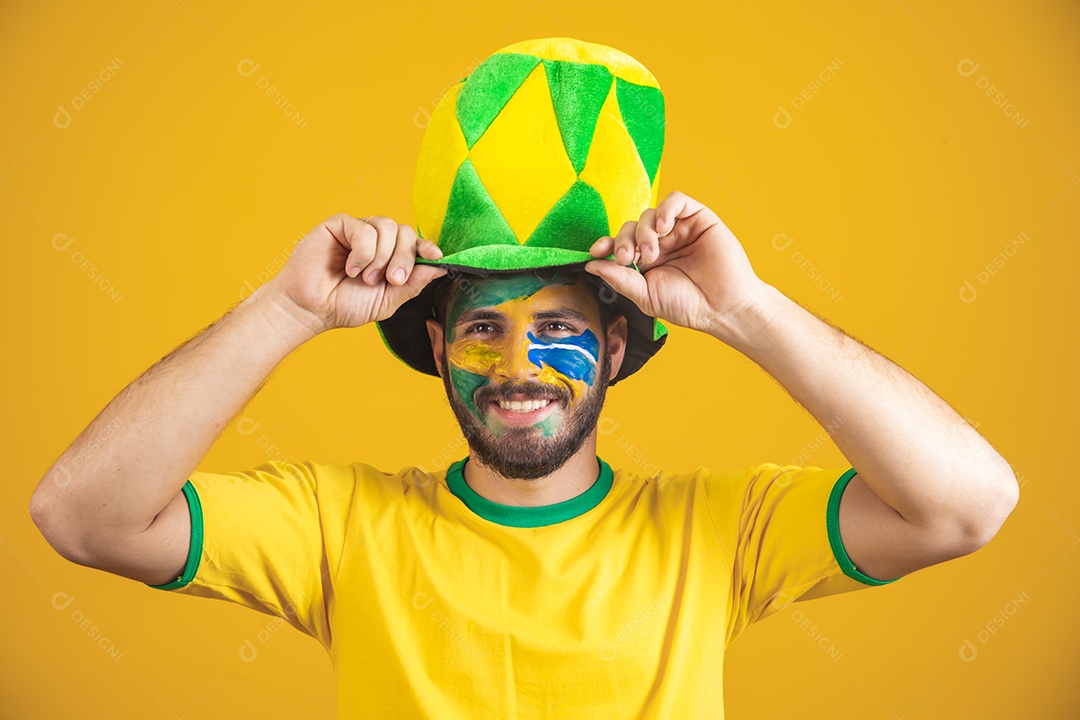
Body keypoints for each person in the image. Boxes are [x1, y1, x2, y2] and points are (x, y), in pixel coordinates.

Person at [29, 38, 1019, 718]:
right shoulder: (340, 528)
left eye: (557, 328)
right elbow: (81, 515)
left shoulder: (717, 536)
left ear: (617, 350)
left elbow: (967, 505)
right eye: (485, 329)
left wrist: (745, 311)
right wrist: (285, 310)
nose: (517, 366)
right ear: (436, 345)